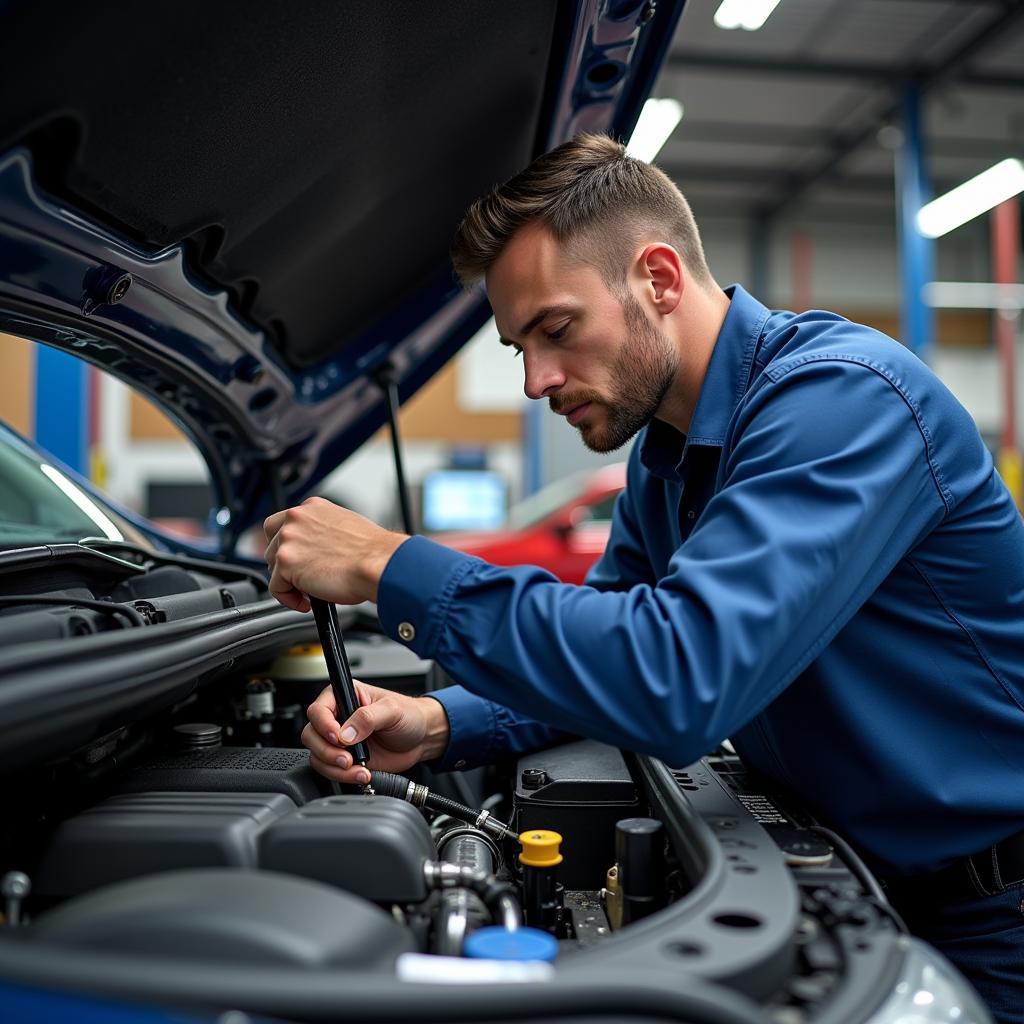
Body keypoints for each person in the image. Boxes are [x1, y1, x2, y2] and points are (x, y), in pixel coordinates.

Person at [263, 133, 1024, 1019]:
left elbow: (678, 678)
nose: (539, 379)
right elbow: (607, 646)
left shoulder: (844, 402)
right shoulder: (664, 462)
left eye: (556, 329)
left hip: (995, 913)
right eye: (519, 348)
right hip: (866, 883)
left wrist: (386, 563)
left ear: (659, 279)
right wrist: (438, 725)